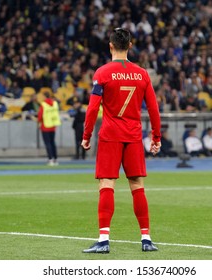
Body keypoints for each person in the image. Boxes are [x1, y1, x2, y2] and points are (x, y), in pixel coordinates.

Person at [81, 28, 161, 253]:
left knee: (107, 185)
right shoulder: (142, 74)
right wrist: (156, 137)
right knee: (137, 185)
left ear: (110, 45)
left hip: (110, 135)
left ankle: (104, 241)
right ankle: (146, 239)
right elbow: (153, 109)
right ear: (130, 45)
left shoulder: (103, 73)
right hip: (134, 136)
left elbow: (93, 108)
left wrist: (86, 136)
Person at [37, 91, 61, 166]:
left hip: (45, 125)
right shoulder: (55, 103)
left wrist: (38, 122)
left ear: (44, 96)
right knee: (53, 143)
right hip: (53, 125)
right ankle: (55, 159)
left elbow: (40, 115)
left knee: (48, 143)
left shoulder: (43, 104)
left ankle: (50, 159)